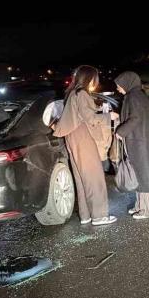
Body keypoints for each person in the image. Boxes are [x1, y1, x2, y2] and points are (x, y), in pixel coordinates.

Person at [52, 65, 118, 226]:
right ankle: (99, 216)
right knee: (94, 176)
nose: (96, 81)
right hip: (83, 136)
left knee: (81, 178)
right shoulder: (81, 93)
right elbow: (90, 118)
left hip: (73, 137)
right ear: (90, 78)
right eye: (95, 78)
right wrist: (109, 116)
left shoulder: (72, 93)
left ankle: (86, 214)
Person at [115, 71, 149, 220]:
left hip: (140, 142)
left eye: (119, 85)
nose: (117, 88)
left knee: (143, 175)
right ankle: (140, 206)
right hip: (141, 140)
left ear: (127, 83)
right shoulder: (137, 95)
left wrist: (121, 131)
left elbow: (135, 118)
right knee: (138, 174)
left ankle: (148, 210)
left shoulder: (134, 97)